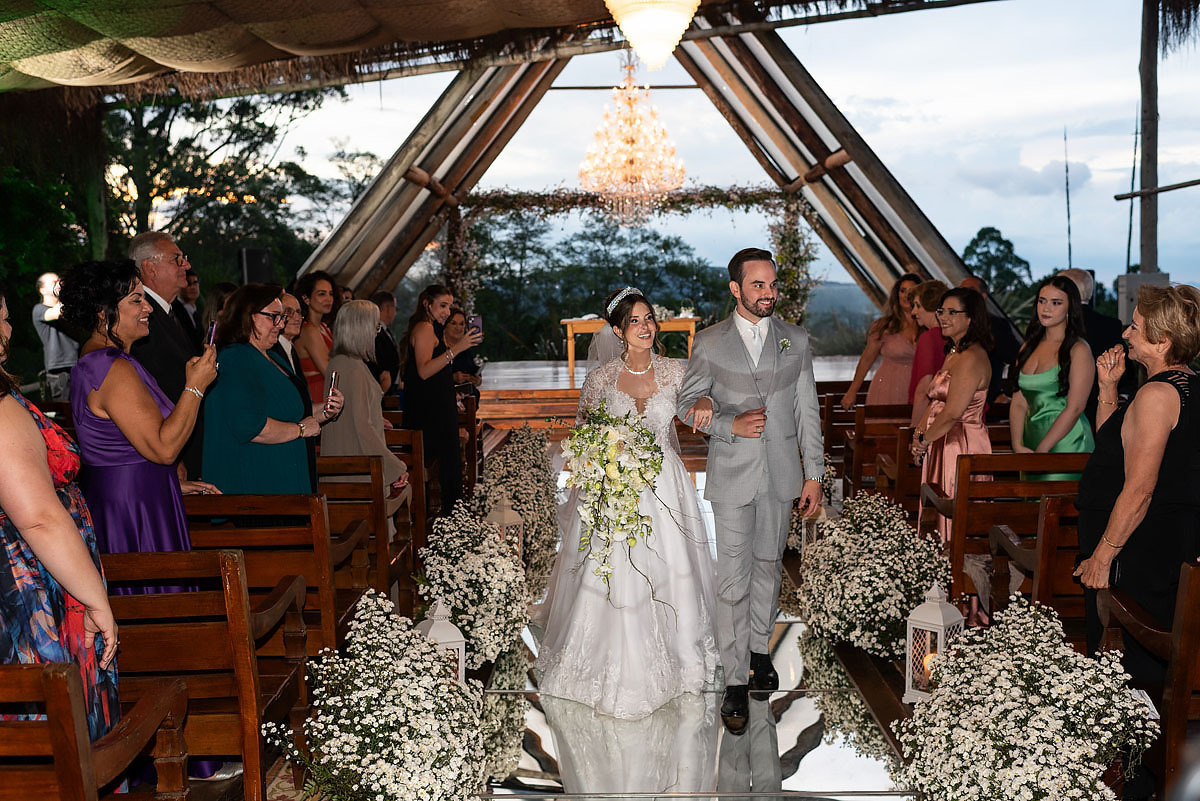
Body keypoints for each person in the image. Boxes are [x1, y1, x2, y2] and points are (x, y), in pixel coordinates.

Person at [536, 287, 720, 720]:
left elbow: (699, 403)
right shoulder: (600, 379)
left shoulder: (675, 370)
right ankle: (607, 661)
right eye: (635, 321)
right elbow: (582, 433)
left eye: (649, 319)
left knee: (671, 568)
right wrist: (604, 453)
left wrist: (708, 400)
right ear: (619, 331)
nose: (645, 327)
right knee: (615, 570)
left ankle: (681, 658)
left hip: (665, 486)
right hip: (615, 487)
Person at [675, 248, 824, 734]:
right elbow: (684, 405)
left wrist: (814, 473)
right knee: (731, 580)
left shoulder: (795, 341)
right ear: (736, 289)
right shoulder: (710, 342)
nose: (769, 294)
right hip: (733, 473)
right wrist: (728, 423)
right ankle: (734, 679)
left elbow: (807, 411)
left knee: (767, 568)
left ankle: (761, 650)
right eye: (758, 286)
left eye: (773, 285)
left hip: (782, 474)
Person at [0, 286, 119, 742]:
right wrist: (95, 600)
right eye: (5, 316)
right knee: (54, 726)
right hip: (30, 579)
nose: (10, 328)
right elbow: (38, 518)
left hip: (32, 566)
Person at [58, 259, 219, 570]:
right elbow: (164, 447)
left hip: (134, 493)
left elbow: (122, 448)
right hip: (133, 508)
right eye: (136, 299)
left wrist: (165, 482)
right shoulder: (113, 368)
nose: (147, 307)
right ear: (103, 312)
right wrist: (196, 386)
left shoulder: (98, 360)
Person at [1075, 285, 1200, 685]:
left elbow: (1140, 489)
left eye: (1135, 327)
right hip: (1166, 542)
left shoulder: (1157, 395)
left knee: (1128, 670)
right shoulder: (1182, 385)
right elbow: (1114, 455)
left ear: (1163, 340)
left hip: (1139, 553)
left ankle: (1135, 746)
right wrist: (1108, 390)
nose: (1125, 334)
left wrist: (1102, 556)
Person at [202, 284, 343, 495]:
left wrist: (324, 411)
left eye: (282, 318)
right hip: (258, 483)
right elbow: (250, 426)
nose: (280, 324)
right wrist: (301, 430)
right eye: (274, 317)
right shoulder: (236, 358)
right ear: (247, 315)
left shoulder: (272, 356)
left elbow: (289, 410)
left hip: (284, 478)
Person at [911, 288, 993, 545]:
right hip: (942, 439)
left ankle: (954, 570)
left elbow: (953, 412)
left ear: (971, 319)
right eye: (941, 311)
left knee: (952, 511)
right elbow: (936, 402)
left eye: (952, 312)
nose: (943, 317)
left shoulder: (972, 358)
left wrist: (924, 439)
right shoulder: (954, 353)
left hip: (960, 444)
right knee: (936, 509)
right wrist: (919, 434)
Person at [127, 232, 203, 478]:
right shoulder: (140, 319)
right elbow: (146, 389)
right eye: (177, 259)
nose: (187, 265)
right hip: (165, 449)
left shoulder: (171, 312)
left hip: (185, 442)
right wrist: (175, 458)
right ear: (150, 267)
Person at [401, 284, 481, 514]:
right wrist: (458, 348)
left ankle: (452, 522)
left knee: (450, 470)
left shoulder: (432, 328)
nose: (447, 311)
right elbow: (424, 371)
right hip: (430, 415)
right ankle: (450, 524)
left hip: (437, 408)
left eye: (449, 306)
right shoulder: (425, 328)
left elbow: (434, 374)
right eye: (443, 305)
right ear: (428, 304)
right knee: (449, 472)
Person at [320, 300, 409, 500]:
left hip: (346, 464)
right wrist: (395, 466)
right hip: (358, 470)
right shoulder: (352, 368)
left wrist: (376, 417)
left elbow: (350, 414)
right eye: (374, 326)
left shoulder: (341, 362)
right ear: (359, 329)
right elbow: (361, 427)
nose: (377, 332)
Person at [1008, 276, 1095, 479]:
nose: (1046, 308)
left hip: (1067, 442)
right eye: (1042, 301)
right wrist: (1017, 444)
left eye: (1056, 303)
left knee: (1056, 508)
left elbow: (1075, 408)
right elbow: (1019, 401)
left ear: (1070, 308)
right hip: (1030, 442)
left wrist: (1043, 450)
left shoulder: (1078, 349)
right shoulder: (1027, 347)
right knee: (1029, 507)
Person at [1058, 267, 1133, 425]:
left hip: (1060, 410)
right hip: (1102, 408)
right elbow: (1127, 370)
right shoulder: (1111, 325)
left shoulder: (1059, 325)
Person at [839, 272, 921, 409]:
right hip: (887, 386)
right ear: (897, 295)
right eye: (902, 291)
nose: (906, 295)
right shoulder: (883, 326)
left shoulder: (928, 327)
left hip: (918, 390)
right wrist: (852, 391)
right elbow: (866, 360)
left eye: (911, 291)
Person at [272, 292, 316, 489]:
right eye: (289, 312)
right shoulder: (272, 353)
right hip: (284, 447)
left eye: (299, 312)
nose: (297, 317)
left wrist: (325, 410)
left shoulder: (290, 349)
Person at [959, 275, 1021, 407]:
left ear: (983, 295)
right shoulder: (952, 325)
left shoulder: (997, 326)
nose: (966, 296)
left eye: (971, 291)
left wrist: (1007, 393)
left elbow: (1018, 359)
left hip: (987, 401)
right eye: (962, 291)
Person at [908, 280, 949, 425]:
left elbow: (923, 392)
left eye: (918, 306)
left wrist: (914, 432)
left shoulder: (928, 338)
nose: (913, 312)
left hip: (933, 420)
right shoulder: (957, 336)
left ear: (932, 305)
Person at [32, 272, 79, 401]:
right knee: (64, 414)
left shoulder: (69, 309)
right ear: (42, 290)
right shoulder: (39, 310)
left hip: (79, 364)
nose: (59, 284)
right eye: (54, 283)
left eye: (59, 281)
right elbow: (55, 313)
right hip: (59, 371)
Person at [295, 271, 337, 407]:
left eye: (331, 294)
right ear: (306, 299)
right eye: (321, 294)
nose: (328, 299)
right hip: (317, 396)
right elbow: (330, 371)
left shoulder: (324, 327)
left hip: (327, 393)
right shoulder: (308, 330)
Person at [442, 307, 483, 400]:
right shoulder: (438, 348)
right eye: (453, 323)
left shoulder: (466, 350)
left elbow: (473, 370)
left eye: (462, 324)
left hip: (466, 400)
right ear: (445, 325)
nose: (458, 328)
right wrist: (452, 378)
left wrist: (477, 380)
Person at [367, 290, 401, 395]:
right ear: (387, 308)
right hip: (381, 391)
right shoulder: (375, 333)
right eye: (395, 307)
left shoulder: (386, 331)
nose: (395, 312)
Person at [172, 268, 203, 351]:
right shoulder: (173, 311)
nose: (193, 287)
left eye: (195, 283)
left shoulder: (200, 313)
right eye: (188, 284)